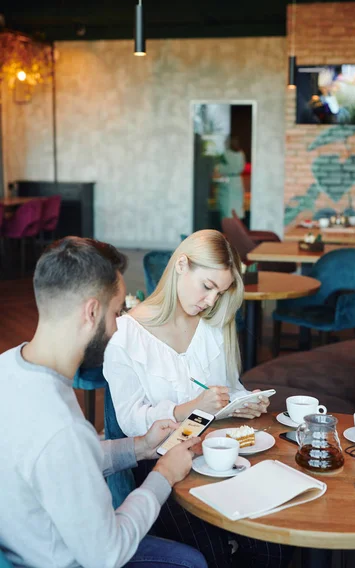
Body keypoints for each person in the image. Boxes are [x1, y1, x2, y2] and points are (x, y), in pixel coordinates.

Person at [0, 236, 206, 568]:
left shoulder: (8, 368)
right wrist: (164, 474)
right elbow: (108, 555)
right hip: (64, 559)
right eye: (117, 311)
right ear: (92, 311)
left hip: (23, 539)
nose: (117, 326)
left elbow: (65, 464)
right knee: (192, 562)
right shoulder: (60, 428)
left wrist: (141, 446)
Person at [103, 230, 293, 568]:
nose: (211, 301)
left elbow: (227, 388)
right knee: (213, 553)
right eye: (207, 286)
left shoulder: (213, 325)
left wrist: (242, 401)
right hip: (162, 463)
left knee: (273, 545)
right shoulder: (125, 336)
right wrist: (191, 408)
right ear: (181, 265)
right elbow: (131, 420)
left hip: (219, 450)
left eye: (219, 293)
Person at [215, 135, 245, 219]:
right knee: (236, 209)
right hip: (237, 181)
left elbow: (220, 168)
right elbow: (241, 167)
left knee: (227, 210)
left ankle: (229, 229)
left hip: (228, 182)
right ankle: (236, 229)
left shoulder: (225, 153)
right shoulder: (241, 153)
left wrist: (218, 168)